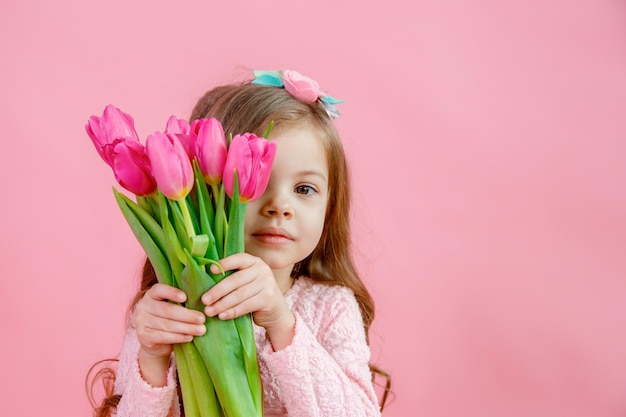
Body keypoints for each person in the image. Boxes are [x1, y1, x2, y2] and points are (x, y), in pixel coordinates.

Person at [88, 69, 390, 416]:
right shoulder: (172, 309)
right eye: (259, 182)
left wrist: (281, 322)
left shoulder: (330, 307)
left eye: (304, 189)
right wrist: (152, 359)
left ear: (330, 206)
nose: (280, 207)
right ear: (207, 185)